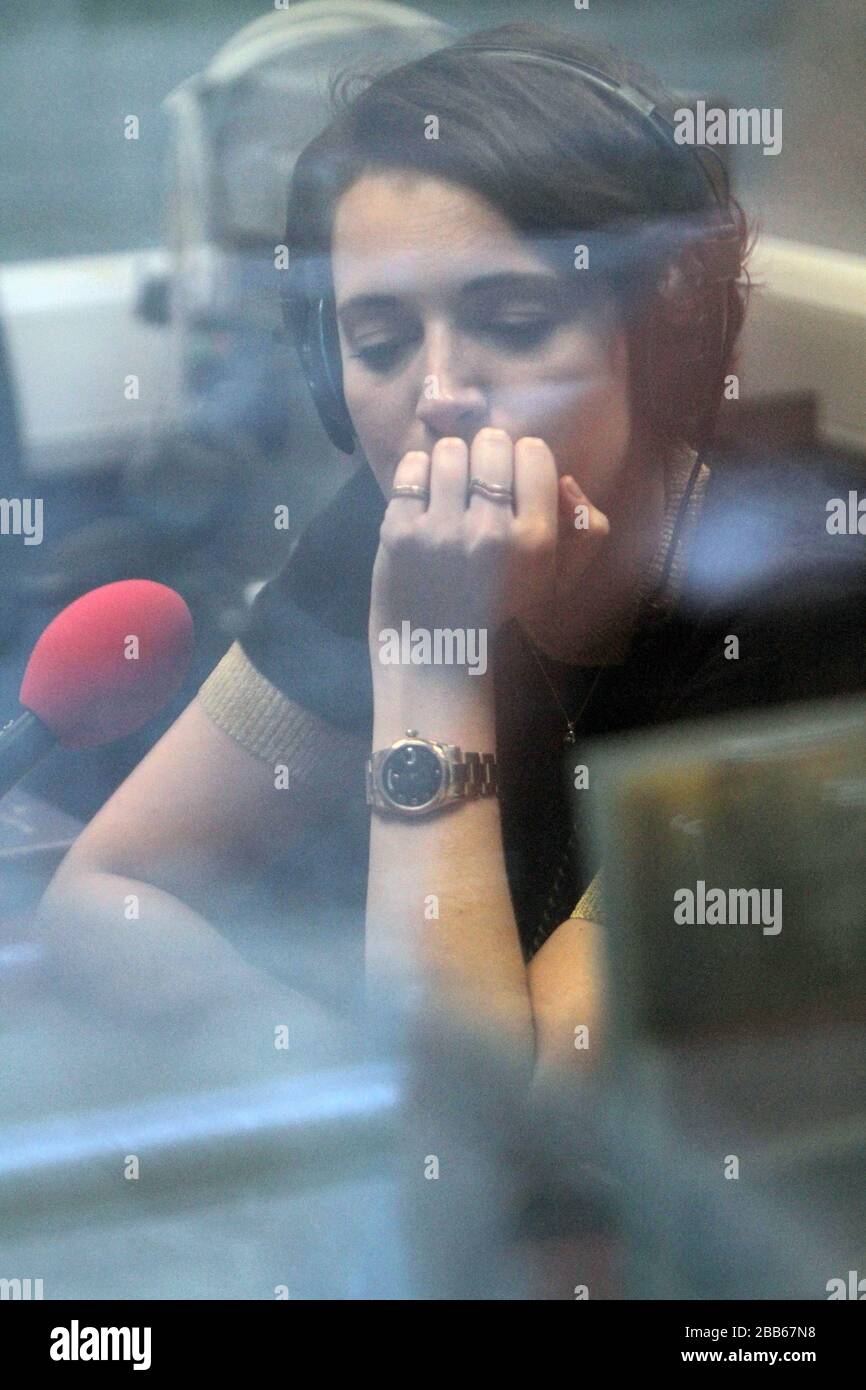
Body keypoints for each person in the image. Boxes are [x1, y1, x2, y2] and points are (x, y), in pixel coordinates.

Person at [36, 23, 865, 1081]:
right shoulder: (388, 527)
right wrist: (312, 1054)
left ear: (657, 347)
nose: (439, 397)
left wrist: (431, 663)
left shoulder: (805, 624)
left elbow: (494, 1123)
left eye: (514, 321)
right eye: (379, 344)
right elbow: (107, 892)